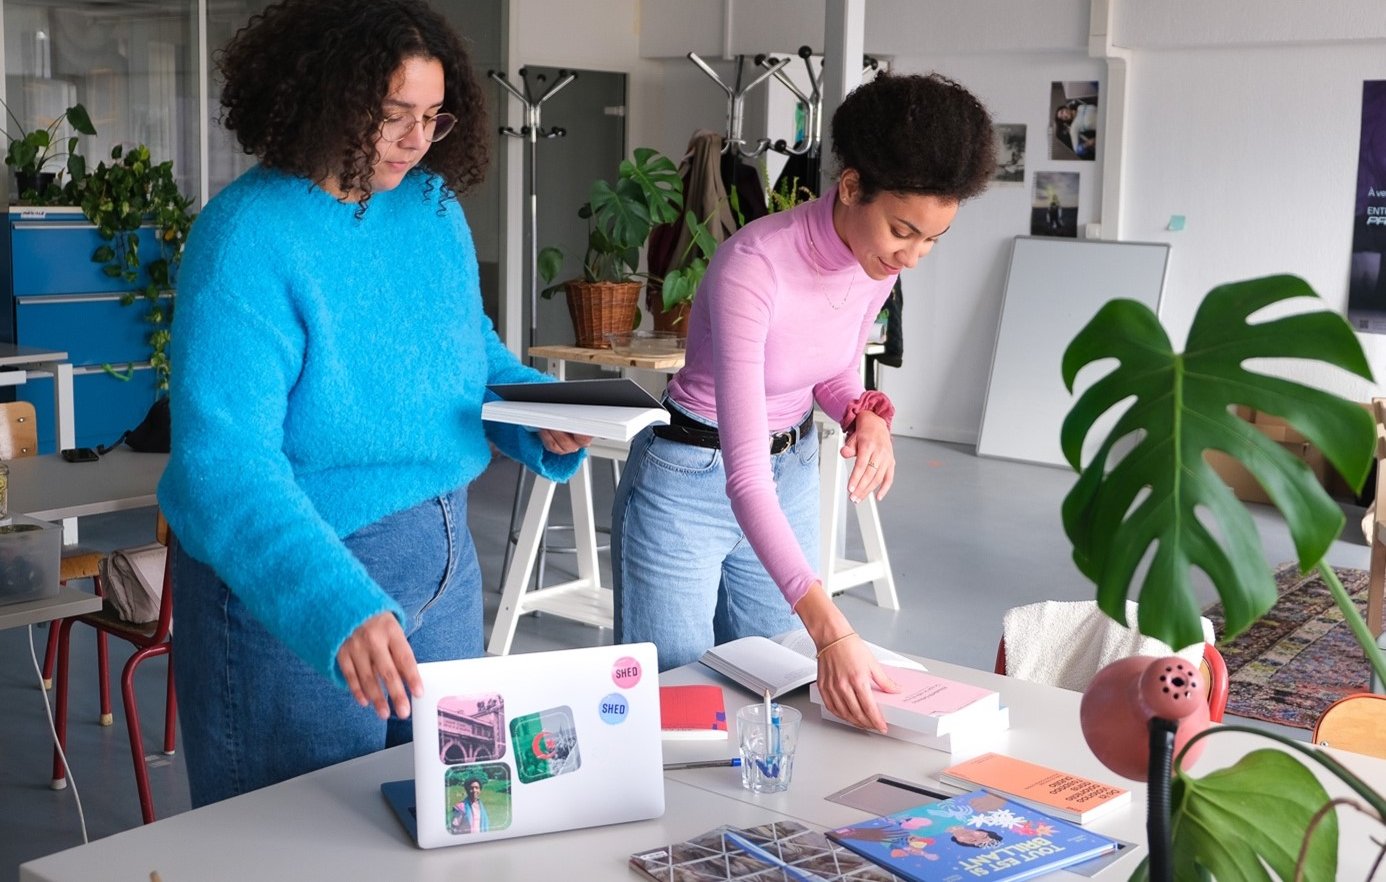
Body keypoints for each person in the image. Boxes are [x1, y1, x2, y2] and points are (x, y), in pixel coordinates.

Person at [158, 0, 589, 807]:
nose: (417, 139)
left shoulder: (432, 210)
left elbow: (472, 356)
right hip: (299, 584)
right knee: (303, 847)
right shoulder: (245, 238)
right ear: (324, 97)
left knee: (460, 815)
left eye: (432, 116)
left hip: (448, 568)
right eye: (393, 115)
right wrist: (335, 601)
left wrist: (541, 412)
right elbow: (223, 469)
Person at [612, 72, 995, 733]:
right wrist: (833, 628)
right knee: (673, 708)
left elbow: (830, 370)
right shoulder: (753, 267)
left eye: (933, 239)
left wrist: (864, 413)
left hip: (788, 475)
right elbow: (743, 475)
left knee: (778, 698)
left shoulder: (874, 264)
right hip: (692, 484)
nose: (915, 255)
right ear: (850, 188)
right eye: (904, 230)